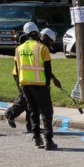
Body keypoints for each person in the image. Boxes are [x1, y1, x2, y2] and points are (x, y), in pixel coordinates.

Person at [11, 22, 64, 150]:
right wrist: (47, 85)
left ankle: (36, 139)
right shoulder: (42, 48)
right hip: (40, 85)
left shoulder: (19, 49)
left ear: (25, 33)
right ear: (37, 32)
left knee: (33, 111)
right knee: (46, 112)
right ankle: (49, 141)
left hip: (25, 85)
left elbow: (17, 70)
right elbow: (47, 69)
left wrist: (21, 84)